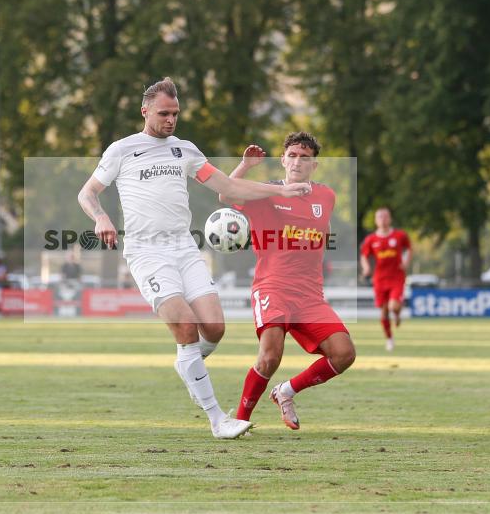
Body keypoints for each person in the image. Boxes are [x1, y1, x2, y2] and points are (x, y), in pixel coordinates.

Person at [77, 77, 313, 439]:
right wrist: (101, 217)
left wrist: (282, 190)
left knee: (214, 329)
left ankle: (188, 364)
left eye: (175, 113)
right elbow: (88, 193)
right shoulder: (122, 150)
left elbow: (228, 187)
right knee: (186, 329)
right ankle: (218, 419)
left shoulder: (184, 150)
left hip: (185, 248)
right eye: (163, 113)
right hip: (147, 252)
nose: (170, 119)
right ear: (145, 111)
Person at [220, 134, 356, 430]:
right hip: (272, 287)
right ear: (283, 160)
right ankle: (239, 421)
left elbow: (322, 230)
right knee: (270, 357)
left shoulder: (326, 196)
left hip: (310, 296)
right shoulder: (266, 193)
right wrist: (245, 166)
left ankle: (286, 391)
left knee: (344, 354)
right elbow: (226, 194)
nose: (297, 161)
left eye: (304, 157)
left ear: (314, 165)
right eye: (292, 155)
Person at [360, 207, 412, 351]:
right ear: (376, 221)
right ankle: (389, 338)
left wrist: (406, 262)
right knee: (383, 312)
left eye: (385, 217)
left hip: (397, 277)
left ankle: (397, 314)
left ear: (390, 219)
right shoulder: (371, 239)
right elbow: (364, 255)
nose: (383, 220)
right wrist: (366, 268)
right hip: (380, 279)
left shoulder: (399, 235)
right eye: (380, 217)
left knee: (393, 306)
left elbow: (408, 248)